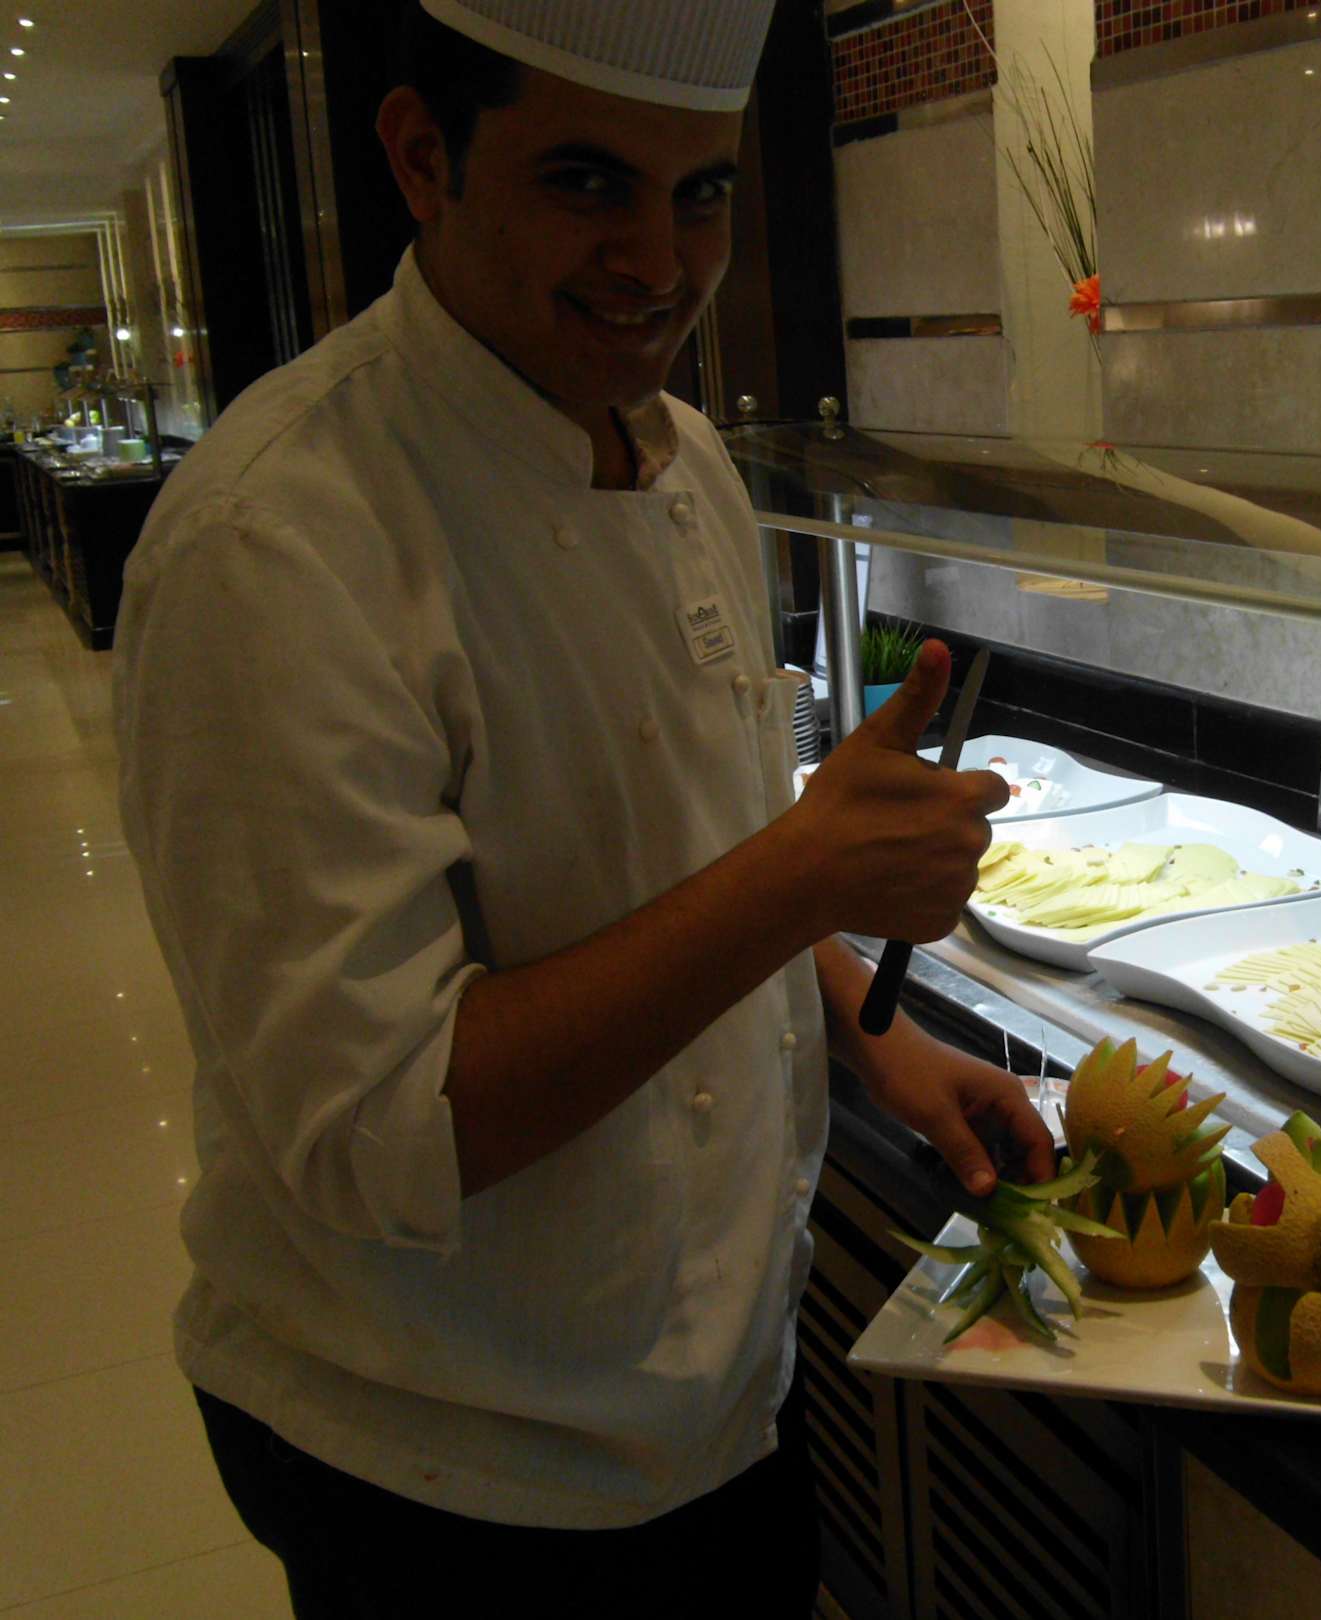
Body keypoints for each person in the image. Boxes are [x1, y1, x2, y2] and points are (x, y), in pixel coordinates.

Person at [112, 2, 1052, 1613]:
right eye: (586, 180)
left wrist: (864, 1028)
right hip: (447, 1461)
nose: (660, 261)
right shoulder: (273, 545)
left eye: (703, 192)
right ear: (423, 156)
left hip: (719, 1405)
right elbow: (385, 1130)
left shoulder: (687, 464)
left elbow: (690, 847)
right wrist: (803, 875)